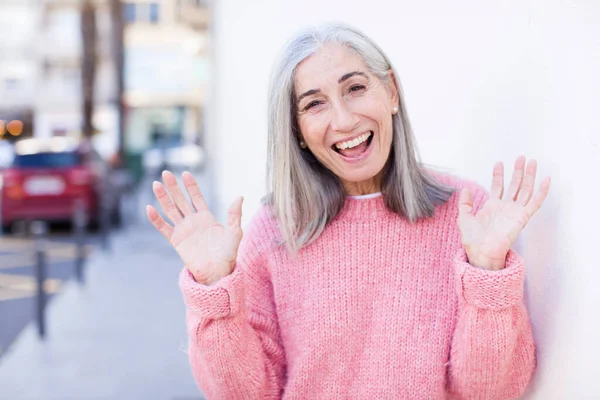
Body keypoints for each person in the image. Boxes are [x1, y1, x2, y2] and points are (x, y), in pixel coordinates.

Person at [146, 23, 551, 400]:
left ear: (390, 92)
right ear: (298, 132)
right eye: (315, 104)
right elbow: (247, 394)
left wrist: (487, 274)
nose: (343, 119)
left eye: (355, 88)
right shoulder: (274, 230)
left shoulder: (466, 215)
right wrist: (215, 290)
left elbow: (490, 391)